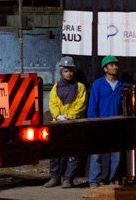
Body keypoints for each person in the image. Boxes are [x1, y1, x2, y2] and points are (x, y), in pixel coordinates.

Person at [86, 56, 129, 187]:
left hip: (116, 124)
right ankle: (94, 180)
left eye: (116, 65)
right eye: (111, 65)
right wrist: (93, 122)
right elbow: (93, 105)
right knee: (96, 154)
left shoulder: (122, 86)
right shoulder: (98, 85)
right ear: (105, 69)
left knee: (116, 155)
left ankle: (111, 179)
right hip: (101, 123)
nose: (115, 67)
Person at [45, 57, 88, 187]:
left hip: (73, 123)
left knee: (72, 152)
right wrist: (58, 116)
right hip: (58, 124)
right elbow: (52, 103)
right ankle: (54, 177)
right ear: (61, 72)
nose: (68, 73)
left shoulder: (80, 87)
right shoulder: (56, 87)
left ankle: (68, 178)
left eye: (70, 71)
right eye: (66, 71)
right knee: (54, 152)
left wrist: (69, 116)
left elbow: (81, 104)